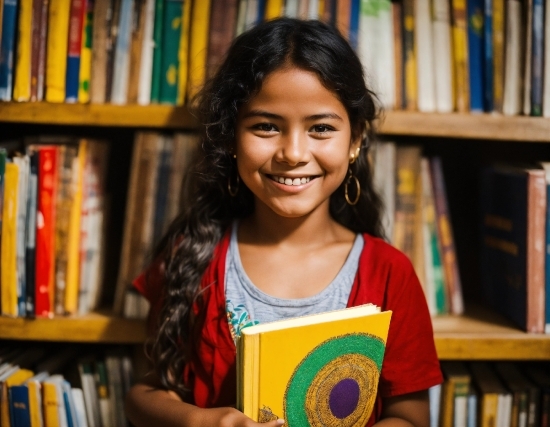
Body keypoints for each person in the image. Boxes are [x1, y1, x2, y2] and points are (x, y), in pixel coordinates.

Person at [124, 17, 442, 427]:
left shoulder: (389, 274)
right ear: (231, 137)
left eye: (321, 128)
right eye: (266, 126)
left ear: (356, 139)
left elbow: (410, 416)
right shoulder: (192, 257)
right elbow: (144, 393)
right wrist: (204, 422)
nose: (293, 152)